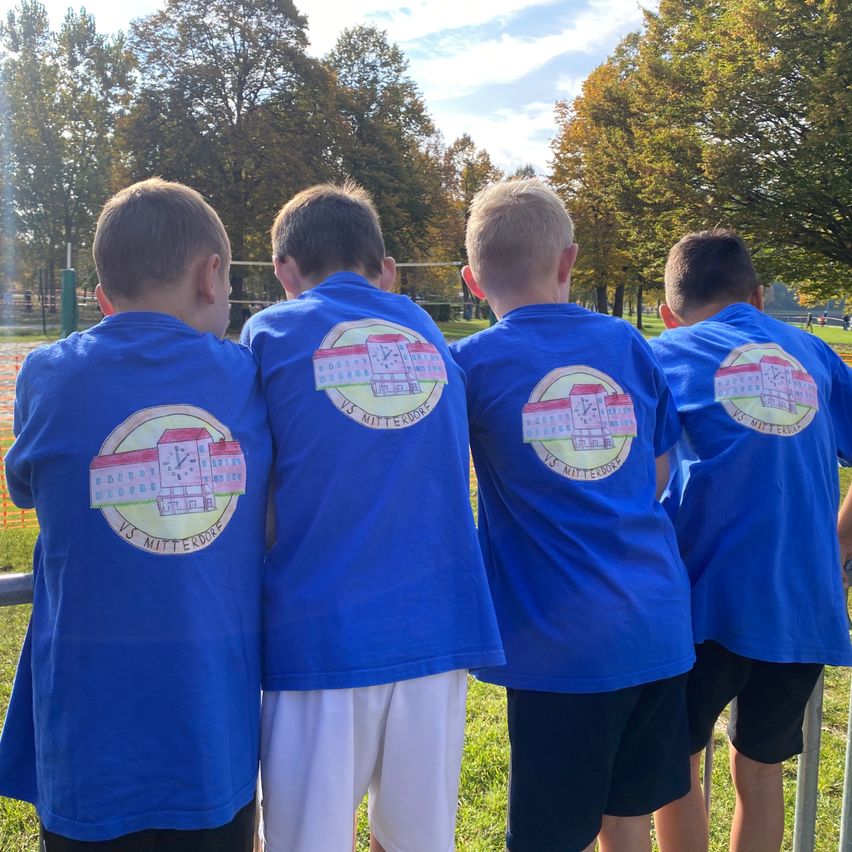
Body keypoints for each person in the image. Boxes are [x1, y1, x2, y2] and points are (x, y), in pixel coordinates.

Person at [0, 178, 272, 850]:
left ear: (102, 298)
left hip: (86, 743)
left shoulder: (48, 373)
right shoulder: (243, 374)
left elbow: (26, 489)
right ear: (212, 277)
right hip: (209, 738)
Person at [240, 181, 504, 852]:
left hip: (322, 636)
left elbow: (257, 491)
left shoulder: (271, 330)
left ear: (283, 271)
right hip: (433, 633)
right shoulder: (425, 330)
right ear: (383, 268)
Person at [449, 178, 694, 852]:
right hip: (657, 623)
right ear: (568, 262)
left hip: (563, 644)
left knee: (552, 837)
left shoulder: (470, 363)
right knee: (627, 819)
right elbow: (657, 472)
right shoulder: (625, 342)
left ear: (473, 281)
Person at [650, 229, 852, 852]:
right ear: (760, 297)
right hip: (802, 597)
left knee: (676, 767)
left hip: (703, 598)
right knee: (761, 769)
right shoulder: (814, 353)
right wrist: (838, 544)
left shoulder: (665, 352)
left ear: (666, 312)